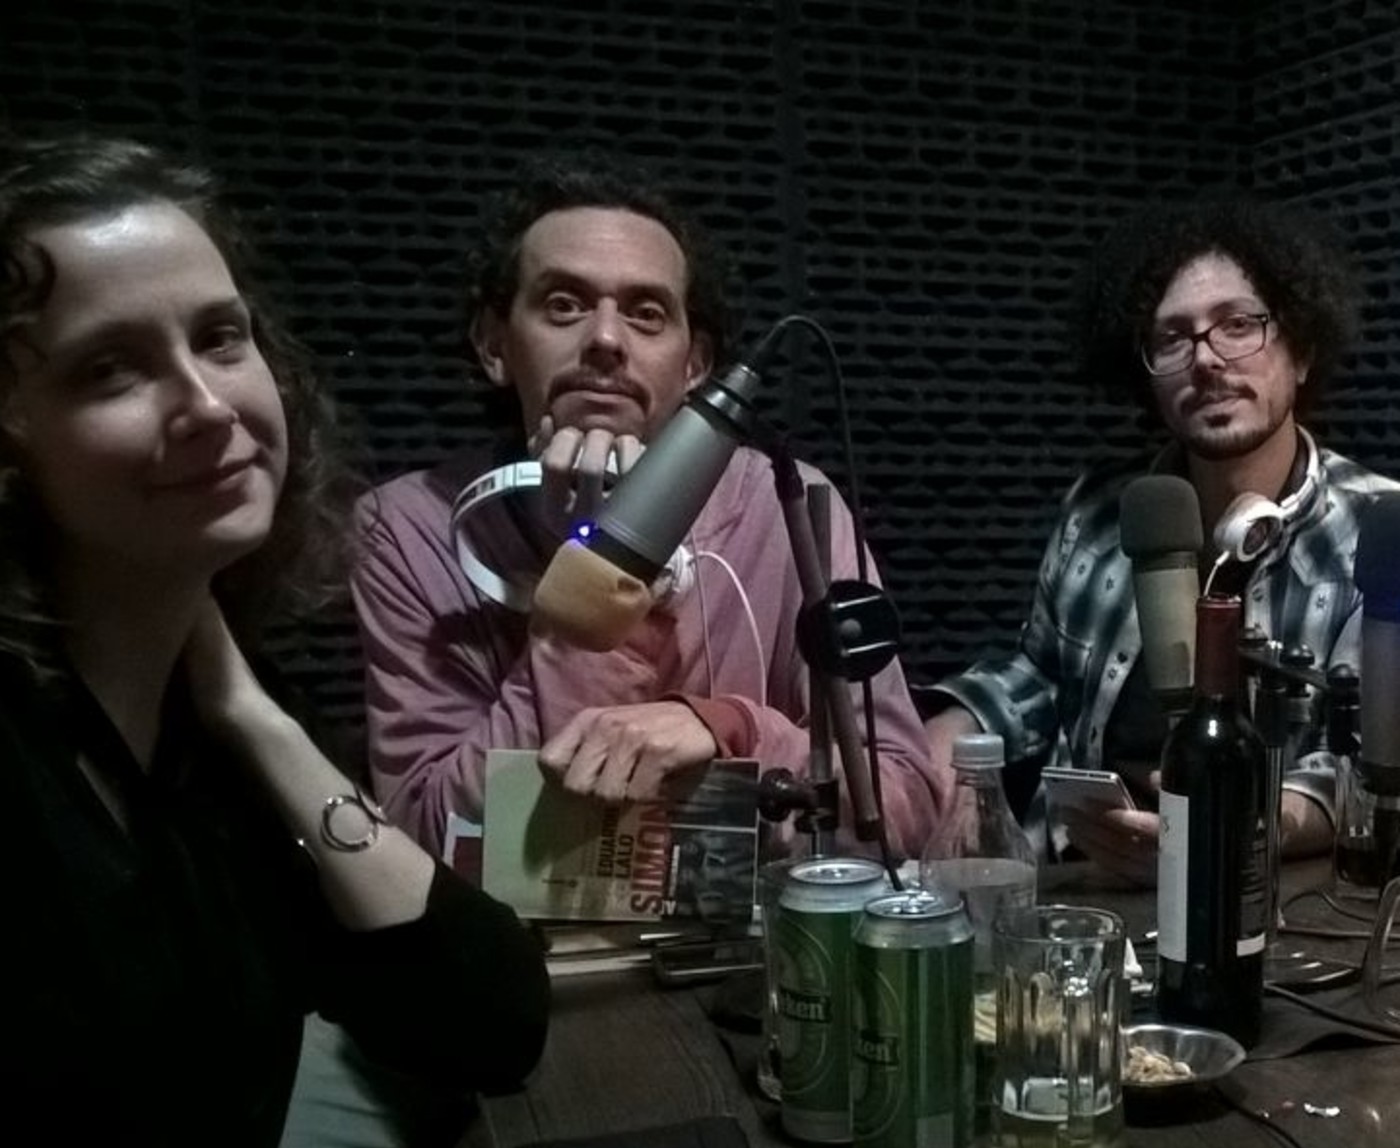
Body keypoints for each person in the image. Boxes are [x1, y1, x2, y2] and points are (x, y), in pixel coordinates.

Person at [0, 133, 549, 1148]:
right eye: (109, 367)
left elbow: (489, 1013)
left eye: (221, 336)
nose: (206, 403)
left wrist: (255, 717)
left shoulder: (217, 726)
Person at [351, 153, 939, 866]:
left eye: (646, 313)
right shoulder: (408, 529)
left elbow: (902, 809)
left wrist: (730, 727)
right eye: (563, 305)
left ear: (696, 365)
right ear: (493, 344)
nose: (605, 340)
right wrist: (593, 586)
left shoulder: (789, 507)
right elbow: (419, 843)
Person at [924, 194, 1399, 885]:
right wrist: (954, 731)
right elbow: (1043, 675)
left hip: (1264, 895)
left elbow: (1369, 758)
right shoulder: (1099, 510)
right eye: (1173, 337)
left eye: (1238, 325)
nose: (1206, 359)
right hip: (1083, 884)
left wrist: (1234, 828)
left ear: (1301, 352)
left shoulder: (1378, 529)